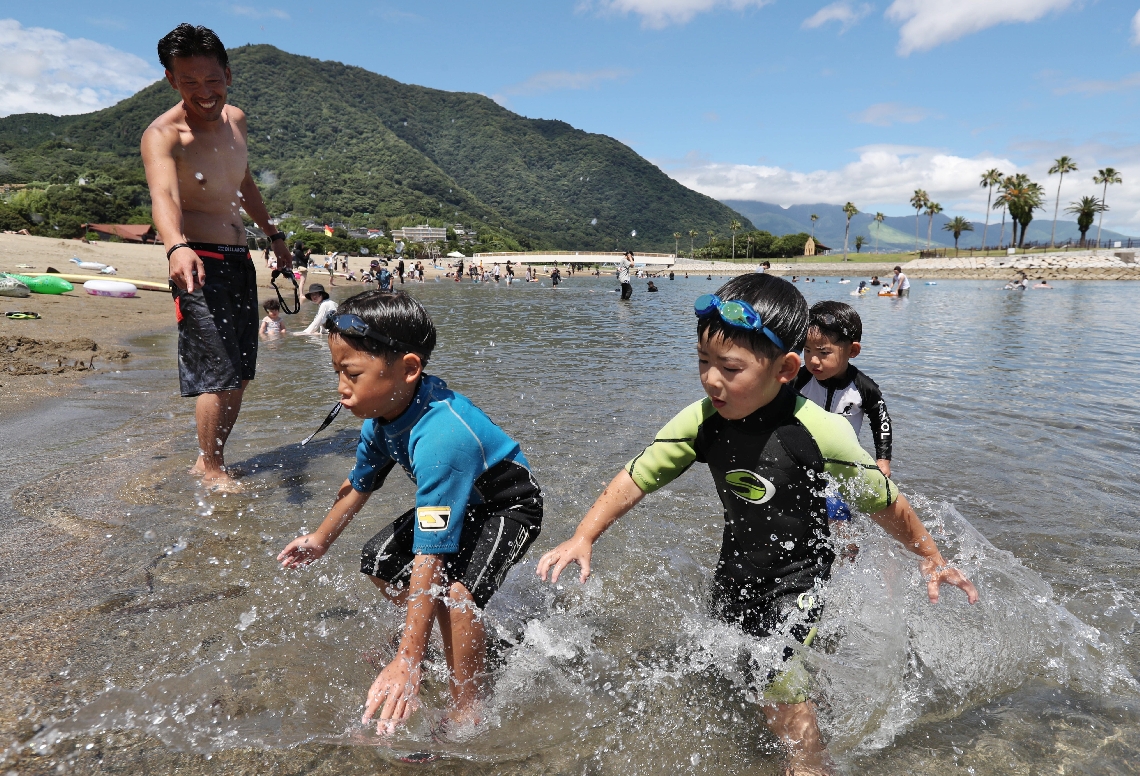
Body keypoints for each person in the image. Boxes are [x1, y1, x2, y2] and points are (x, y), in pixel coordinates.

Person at [535, 274, 977, 775]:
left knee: (779, 676)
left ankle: (811, 764)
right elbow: (639, 476)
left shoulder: (820, 431)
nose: (711, 380)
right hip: (737, 570)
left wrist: (931, 556)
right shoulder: (703, 421)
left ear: (786, 369)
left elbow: (885, 502)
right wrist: (584, 535)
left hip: (803, 576)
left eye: (730, 367)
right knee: (733, 660)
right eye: (703, 362)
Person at [278, 291, 543, 732]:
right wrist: (320, 538)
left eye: (352, 373)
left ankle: (467, 709)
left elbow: (430, 556)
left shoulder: (440, 438)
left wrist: (407, 659)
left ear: (408, 369)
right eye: (337, 372)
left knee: (458, 596)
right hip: (460, 504)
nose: (341, 388)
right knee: (379, 561)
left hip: (507, 506)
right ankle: (450, 634)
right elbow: (359, 482)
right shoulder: (381, 417)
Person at [142, 23, 291, 490]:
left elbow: (244, 182)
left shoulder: (237, 120)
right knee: (217, 371)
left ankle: (212, 456)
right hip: (196, 260)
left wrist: (274, 234)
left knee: (241, 370)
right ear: (171, 80)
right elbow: (162, 195)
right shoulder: (164, 135)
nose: (204, 92)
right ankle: (210, 467)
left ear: (228, 73)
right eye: (190, 82)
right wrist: (176, 246)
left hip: (239, 257)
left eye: (212, 80)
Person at [796, 302, 892, 478]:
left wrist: (883, 460)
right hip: (802, 457)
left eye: (823, 352)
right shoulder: (798, 379)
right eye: (807, 351)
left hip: (843, 461)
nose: (813, 360)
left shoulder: (864, 388)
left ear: (852, 350)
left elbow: (881, 421)